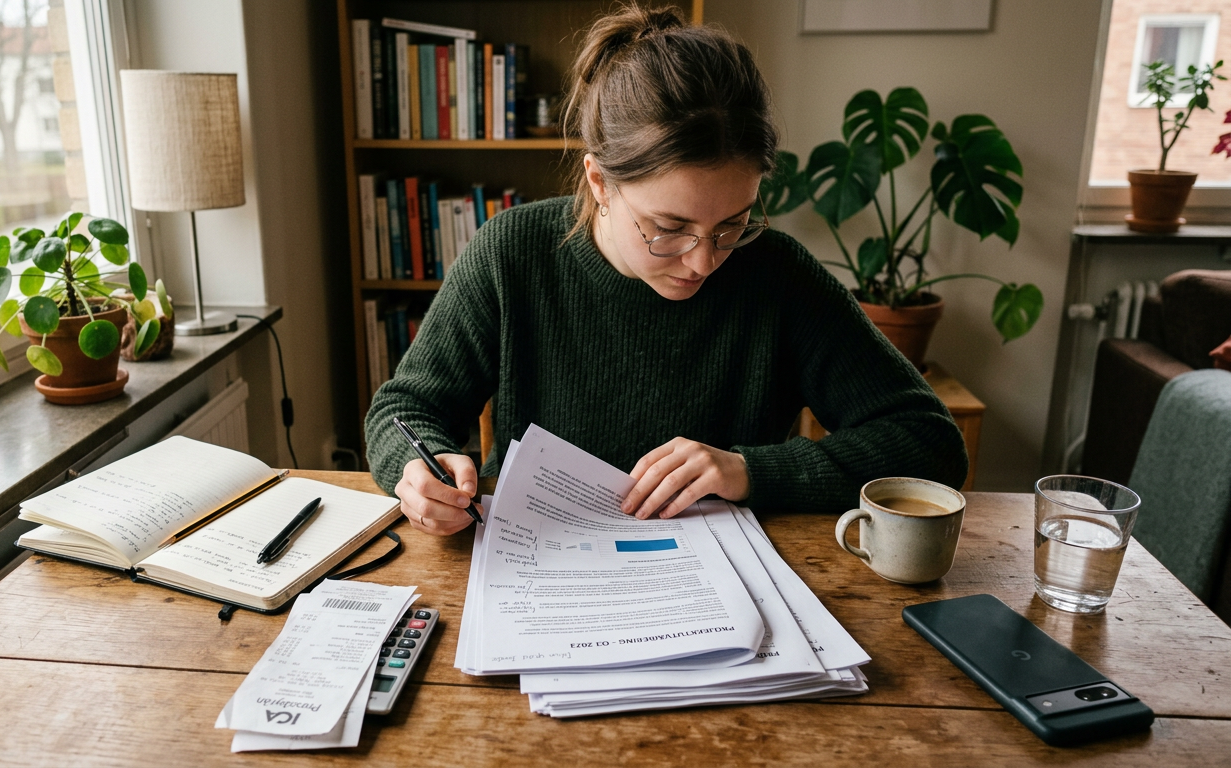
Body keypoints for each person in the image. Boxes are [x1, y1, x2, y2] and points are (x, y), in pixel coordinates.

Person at [365, 4, 968, 536]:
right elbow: (405, 410)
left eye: (733, 223)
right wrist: (419, 471)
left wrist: (750, 470)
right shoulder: (512, 252)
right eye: (670, 228)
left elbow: (929, 441)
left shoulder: (777, 275)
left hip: (725, 591)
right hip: (536, 566)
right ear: (600, 182)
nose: (704, 260)